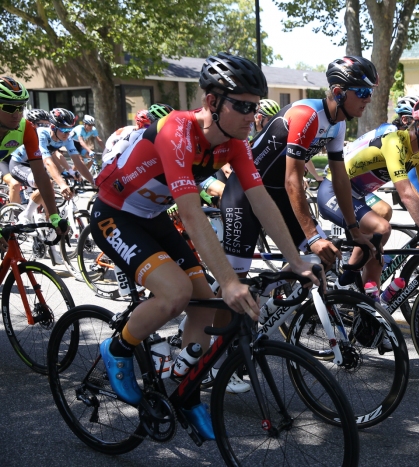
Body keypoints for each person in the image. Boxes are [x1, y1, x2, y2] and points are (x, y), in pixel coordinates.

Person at [92, 53, 317, 441]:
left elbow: (261, 200)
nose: (253, 116)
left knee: (205, 308)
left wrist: (296, 259)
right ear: (213, 101)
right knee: (177, 293)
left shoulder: (234, 143)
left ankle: (185, 392)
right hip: (115, 214)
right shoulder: (176, 131)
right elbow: (193, 217)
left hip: (153, 217)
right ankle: (119, 347)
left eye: (256, 107)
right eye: (243, 106)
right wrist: (229, 281)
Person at [219, 55, 378, 276]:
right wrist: (312, 237)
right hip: (244, 193)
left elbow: (340, 178)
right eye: (363, 92)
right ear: (339, 92)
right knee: (235, 282)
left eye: (370, 93)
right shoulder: (308, 115)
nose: (368, 99)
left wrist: (353, 229)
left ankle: (277, 302)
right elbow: (292, 180)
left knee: (323, 259)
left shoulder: (337, 124)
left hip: (277, 195)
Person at [318, 96, 419, 288]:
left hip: (357, 195)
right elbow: (406, 194)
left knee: (377, 248)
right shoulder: (395, 143)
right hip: (332, 191)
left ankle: (369, 301)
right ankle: (344, 282)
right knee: (382, 228)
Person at [341, 94, 419, 222]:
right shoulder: (390, 134)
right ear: (405, 120)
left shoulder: (405, 141)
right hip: (342, 179)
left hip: (359, 187)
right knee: (384, 211)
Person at [0, 77, 66, 233]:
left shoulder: (26, 128)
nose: (17, 114)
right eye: (9, 108)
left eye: (20, 107)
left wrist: (55, 217)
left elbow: (40, 175)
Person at [12, 108, 90, 231]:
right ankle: (25, 215)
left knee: (50, 203)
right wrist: (62, 184)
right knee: (47, 183)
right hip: (20, 163)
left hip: (36, 164)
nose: (67, 133)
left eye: (70, 130)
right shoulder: (41, 133)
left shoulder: (65, 138)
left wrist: (94, 182)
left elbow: (76, 161)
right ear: (53, 127)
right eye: (64, 129)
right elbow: (48, 162)